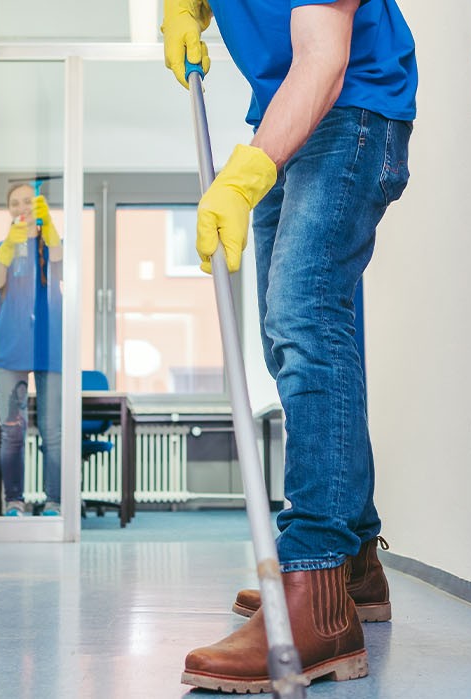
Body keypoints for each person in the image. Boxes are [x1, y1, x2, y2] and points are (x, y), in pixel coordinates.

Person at [162, 0, 415, 692]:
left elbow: (325, 58)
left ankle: (314, 589)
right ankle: (354, 565)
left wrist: (245, 178)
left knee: (306, 318)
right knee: (294, 333)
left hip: (351, 107)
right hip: (288, 113)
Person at [0, 182, 65, 517]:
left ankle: (54, 503)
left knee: (53, 431)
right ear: (8, 210)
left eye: (28, 202)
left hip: (49, 346)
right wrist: (7, 248)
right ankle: (14, 502)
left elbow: (62, 265)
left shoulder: (51, 247)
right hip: (9, 348)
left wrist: (48, 228)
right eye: (15, 202)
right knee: (12, 430)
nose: (22, 207)